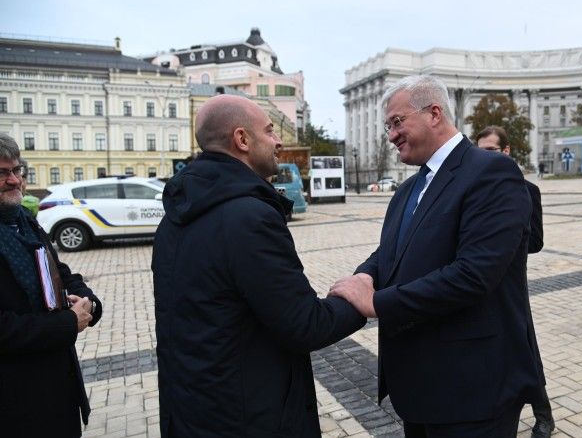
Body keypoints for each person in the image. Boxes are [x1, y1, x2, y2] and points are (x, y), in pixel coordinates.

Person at [329, 75, 543, 437]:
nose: (391, 134)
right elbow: (392, 250)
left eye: (397, 122)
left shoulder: (492, 172)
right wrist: (366, 274)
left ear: (434, 113)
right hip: (417, 388)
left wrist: (377, 302)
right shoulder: (409, 188)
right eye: (387, 126)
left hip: (472, 390)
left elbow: (473, 275)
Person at [151, 95, 365, 437]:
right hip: (249, 418)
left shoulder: (176, 217)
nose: (279, 141)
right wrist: (358, 300)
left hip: (193, 411)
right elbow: (304, 325)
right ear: (242, 140)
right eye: (269, 131)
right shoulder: (248, 217)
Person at [0, 132, 102, 437]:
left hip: (56, 389)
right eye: (2, 173)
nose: (15, 180)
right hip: (14, 404)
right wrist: (66, 324)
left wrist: (88, 302)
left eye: (17, 170)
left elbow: (59, 272)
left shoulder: (23, 221)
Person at [474, 126, 553, 437]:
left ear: (506, 151)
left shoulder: (528, 190)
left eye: (491, 150)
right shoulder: (475, 188)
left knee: (525, 351)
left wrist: (505, 240)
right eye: (480, 150)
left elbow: (536, 242)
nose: (485, 156)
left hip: (511, 284)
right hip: (477, 282)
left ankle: (544, 415)